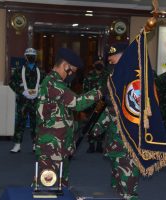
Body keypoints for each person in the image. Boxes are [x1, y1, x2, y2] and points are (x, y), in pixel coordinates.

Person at [34, 47, 102, 187]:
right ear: (65, 66)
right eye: (73, 71)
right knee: (48, 185)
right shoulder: (53, 83)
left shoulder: (57, 83)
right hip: (51, 144)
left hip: (60, 142)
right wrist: (100, 93)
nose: (73, 75)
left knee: (60, 184)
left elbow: (62, 112)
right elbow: (77, 103)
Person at [90, 43, 140, 199]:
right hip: (115, 135)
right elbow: (111, 105)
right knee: (118, 176)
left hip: (127, 136)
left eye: (113, 55)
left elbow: (134, 108)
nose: (109, 59)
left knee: (128, 178)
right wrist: (99, 126)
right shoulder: (116, 75)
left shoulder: (134, 76)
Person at [9, 48, 43, 153]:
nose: (31, 57)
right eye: (29, 55)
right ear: (25, 57)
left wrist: (39, 92)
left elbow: (45, 85)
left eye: (33, 55)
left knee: (35, 124)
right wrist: (21, 91)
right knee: (20, 123)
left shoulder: (41, 71)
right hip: (23, 101)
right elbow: (12, 83)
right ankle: (17, 145)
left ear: (36, 57)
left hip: (35, 102)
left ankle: (35, 144)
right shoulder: (19, 70)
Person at [83, 56, 107, 153]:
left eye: (101, 61)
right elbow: (85, 91)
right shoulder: (89, 75)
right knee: (91, 124)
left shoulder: (107, 75)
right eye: (98, 61)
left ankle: (100, 144)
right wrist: (85, 106)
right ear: (94, 64)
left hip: (103, 104)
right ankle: (91, 144)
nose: (99, 63)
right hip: (91, 104)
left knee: (102, 124)